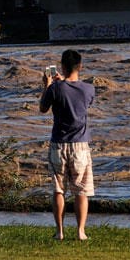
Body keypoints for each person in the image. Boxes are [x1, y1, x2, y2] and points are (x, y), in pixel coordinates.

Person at [40, 49, 95, 241]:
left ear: (62, 65)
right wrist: (63, 80)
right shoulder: (89, 89)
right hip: (80, 145)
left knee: (58, 189)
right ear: (80, 66)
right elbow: (79, 100)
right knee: (81, 191)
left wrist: (47, 86)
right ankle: (81, 231)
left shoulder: (54, 88)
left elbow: (43, 108)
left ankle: (60, 231)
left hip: (58, 145)